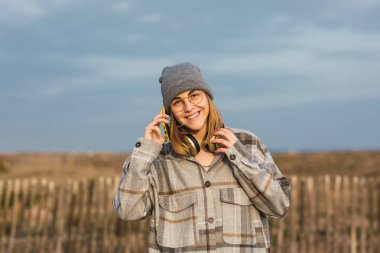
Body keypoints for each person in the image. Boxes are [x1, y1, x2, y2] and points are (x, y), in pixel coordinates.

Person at [113, 62, 291, 253]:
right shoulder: (158, 160)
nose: (188, 107)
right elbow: (128, 211)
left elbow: (279, 206)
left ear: (207, 97)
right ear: (169, 113)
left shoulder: (248, 144)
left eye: (194, 95)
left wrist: (237, 155)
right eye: (177, 102)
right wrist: (146, 151)